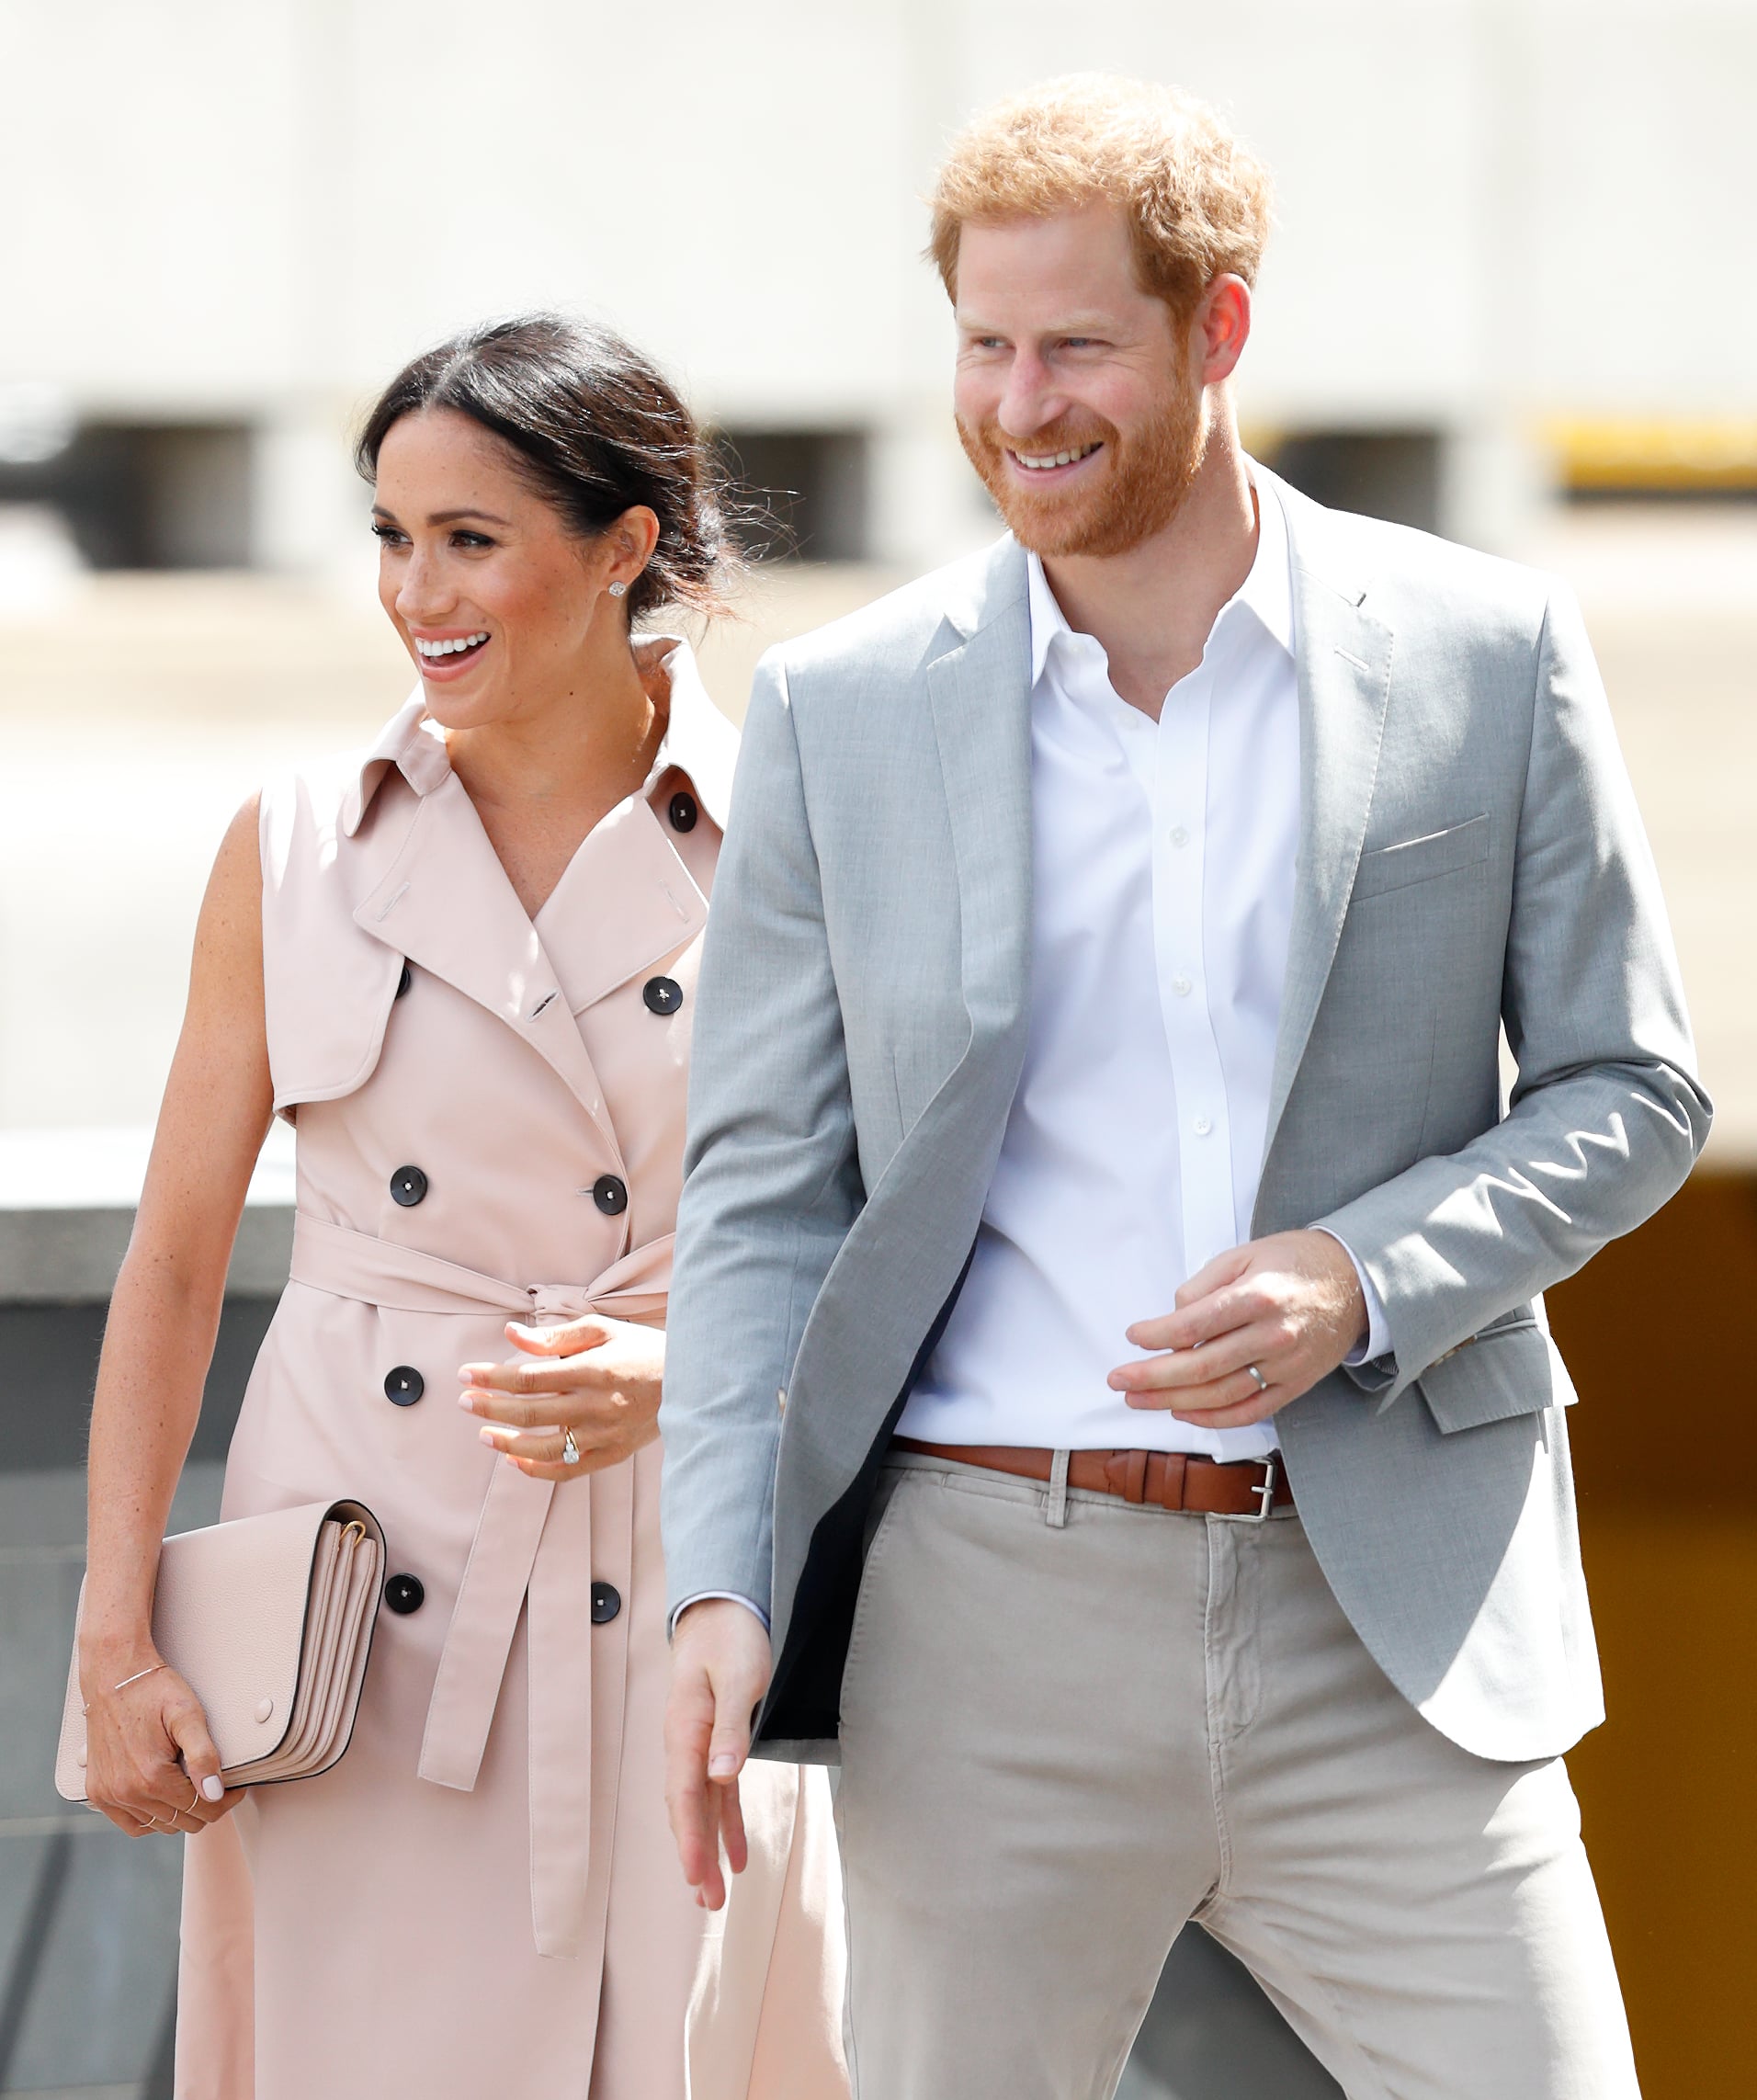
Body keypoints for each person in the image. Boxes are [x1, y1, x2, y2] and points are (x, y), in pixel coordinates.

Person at [659, 75, 1709, 2100]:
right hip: (986, 1618)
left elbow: (1631, 1084)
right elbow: (762, 1193)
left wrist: (1365, 1272)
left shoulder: (1483, 653)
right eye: (980, 342)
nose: (1016, 402)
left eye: (1075, 346)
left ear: (1215, 330)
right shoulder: (838, 709)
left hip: (1386, 1612)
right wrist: (722, 1575)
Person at [77, 315, 846, 2100]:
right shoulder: (294, 845)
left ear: (623, 549)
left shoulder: (801, 832)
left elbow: (897, 1239)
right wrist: (114, 1640)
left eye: (470, 539)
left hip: (690, 1561)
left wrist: (669, 1372)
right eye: (388, 534)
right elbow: (178, 1260)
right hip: (369, 1597)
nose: (415, 591)